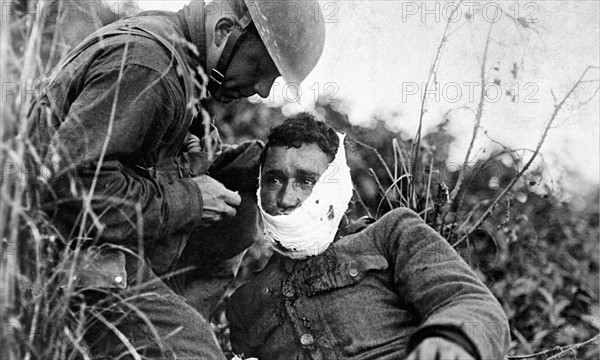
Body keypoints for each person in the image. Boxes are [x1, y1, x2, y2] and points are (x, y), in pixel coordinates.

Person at [26, 0, 325, 358]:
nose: (261, 89)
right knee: (196, 353)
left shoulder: (177, 55)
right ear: (224, 30)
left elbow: (139, 163)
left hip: (89, 236)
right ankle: (161, 333)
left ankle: (169, 314)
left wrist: (250, 162)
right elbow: (68, 186)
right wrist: (192, 200)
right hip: (52, 250)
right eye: (259, 67)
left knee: (241, 207)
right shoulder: (151, 65)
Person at [226, 114, 511, 360]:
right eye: (274, 180)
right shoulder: (245, 304)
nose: (287, 198)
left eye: (306, 181)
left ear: (335, 189)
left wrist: (451, 342)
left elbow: (471, 302)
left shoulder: (391, 234)